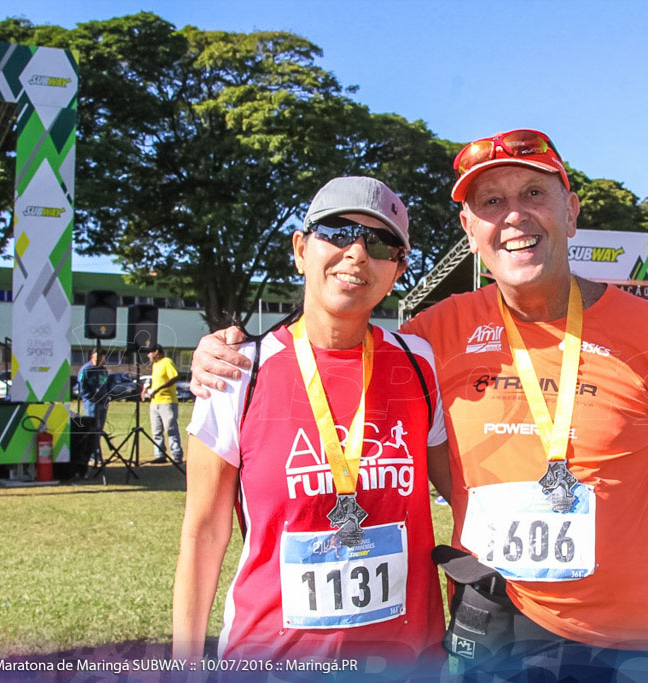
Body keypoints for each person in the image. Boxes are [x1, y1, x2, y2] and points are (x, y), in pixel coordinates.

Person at [190, 129, 648, 675]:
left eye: (533, 194)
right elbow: (334, 340)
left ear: (571, 210)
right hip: (496, 627)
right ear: (470, 231)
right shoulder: (432, 337)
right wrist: (226, 352)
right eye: (491, 202)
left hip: (633, 637)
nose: (513, 216)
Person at [172, 176, 446, 665]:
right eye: (337, 232)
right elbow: (204, 532)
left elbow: (466, 487)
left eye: (379, 243)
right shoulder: (236, 373)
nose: (357, 253)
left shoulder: (419, 363)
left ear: (397, 269)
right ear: (300, 249)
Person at [142, 344, 184, 464]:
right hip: (155, 402)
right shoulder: (155, 365)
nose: (148, 355)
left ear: (156, 351)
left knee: (170, 429)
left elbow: (175, 376)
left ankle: (176, 455)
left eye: (150, 352)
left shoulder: (167, 361)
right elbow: (156, 381)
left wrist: (159, 389)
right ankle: (160, 454)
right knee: (156, 431)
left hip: (167, 401)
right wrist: (148, 388)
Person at [78, 349, 110, 465]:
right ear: (92, 356)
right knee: (93, 429)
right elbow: (82, 387)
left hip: (103, 403)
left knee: (99, 429)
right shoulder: (86, 369)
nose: (100, 360)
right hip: (92, 403)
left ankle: (97, 454)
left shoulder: (103, 370)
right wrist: (90, 397)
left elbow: (106, 385)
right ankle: (93, 455)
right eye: (98, 357)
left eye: (102, 357)